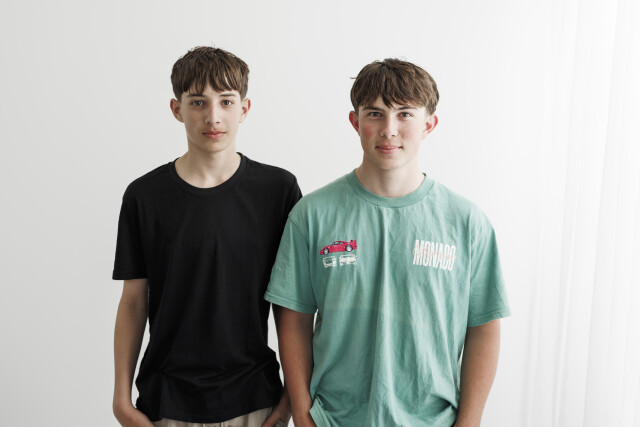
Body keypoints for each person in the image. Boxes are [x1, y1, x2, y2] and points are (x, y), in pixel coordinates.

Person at [265, 58, 511, 426]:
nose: (389, 130)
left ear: (429, 124)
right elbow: (295, 320)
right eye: (375, 114)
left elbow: (483, 326)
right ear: (355, 122)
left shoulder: (467, 222)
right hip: (334, 419)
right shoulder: (311, 216)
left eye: (405, 114)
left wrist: (469, 422)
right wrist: (302, 415)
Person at [112, 46, 300, 427]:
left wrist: (290, 399)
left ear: (244, 108)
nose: (213, 117)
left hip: (254, 399)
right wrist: (120, 400)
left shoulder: (278, 191)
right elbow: (133, 301)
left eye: (226, 102)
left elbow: (291, 304)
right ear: (176, 109)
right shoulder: (144, 196)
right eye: (198, 102)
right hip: (166, 402)